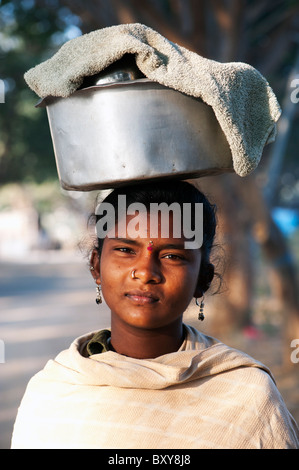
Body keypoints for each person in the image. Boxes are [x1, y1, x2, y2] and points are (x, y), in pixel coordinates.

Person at [11, 180, 299, 449]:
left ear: (203, 279)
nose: (146, 272)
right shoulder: (53, 391)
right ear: (96, 266)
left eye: (172, 256)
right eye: (125, 250)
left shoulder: (248, 396)